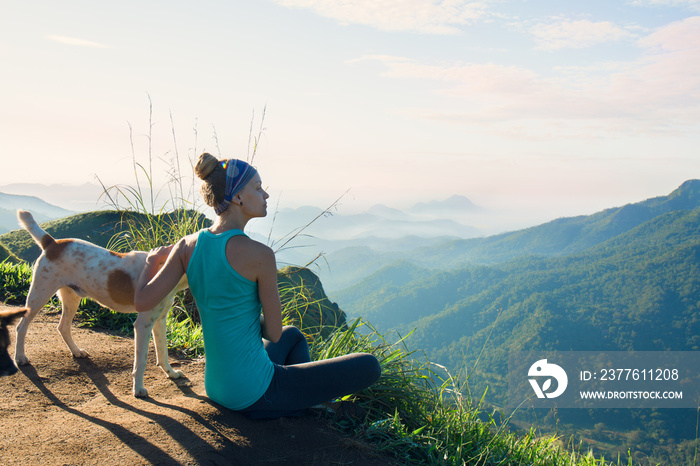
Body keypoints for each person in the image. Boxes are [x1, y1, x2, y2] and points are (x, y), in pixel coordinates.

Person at [134, 153, 381, 419]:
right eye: (258, 187)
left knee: (293, 335)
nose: (265, 195)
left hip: (216, 387)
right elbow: (272, 333)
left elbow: (142, 302)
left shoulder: (186, 246)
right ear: (238, 197)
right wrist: (247, 316)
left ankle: (301, 404)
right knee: (370, 365)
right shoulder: (260, 255)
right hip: (255, 391)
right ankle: (297, 407)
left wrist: (151, 262)